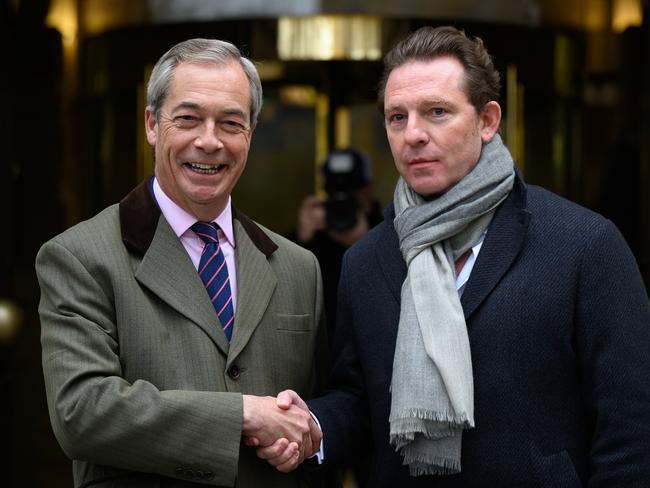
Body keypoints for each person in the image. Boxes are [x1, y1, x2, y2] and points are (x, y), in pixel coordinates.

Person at [255, 26, 650, 486]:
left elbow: (630, 429)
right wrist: (313, 428)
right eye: (397, 117)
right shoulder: (366, 261)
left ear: (487, 120)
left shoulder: (583, 245)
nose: (414, 134)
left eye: (437, 112)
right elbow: (359, 402)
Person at [36, 38, 328, 487]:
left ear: (250, 133)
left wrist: (307, 429)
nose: (208, 141)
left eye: (230, 123)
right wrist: (244, 415)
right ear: (152, 124)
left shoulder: (298, 268)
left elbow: (318, 412)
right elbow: (83, 412)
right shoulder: (80, 257)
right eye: (188, 119)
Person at [292, 148, 382, 343]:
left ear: (369, 189)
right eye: (334, 191)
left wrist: (367, 245)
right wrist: (301, 242)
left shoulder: (388, 232)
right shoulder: (313, 235)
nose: (342, 200)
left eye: (352, 190)